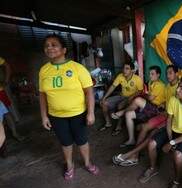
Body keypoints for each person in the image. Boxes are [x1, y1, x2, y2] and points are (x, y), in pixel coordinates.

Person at [39, 34, 99, 180]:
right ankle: (70, 165)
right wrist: (44, 116)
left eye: (54, 44)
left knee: (82, 141)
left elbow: (89, 91)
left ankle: (87, 163)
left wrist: (91, 112)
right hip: (56, 116)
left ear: (64, 50)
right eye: (47, 45)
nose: (49, 47)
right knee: (65, 143)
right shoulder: (44, 70)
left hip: (78, 113)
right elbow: (42, 95)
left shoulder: (77, 68)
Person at [112, 65, 179, 166]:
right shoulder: (168, 86)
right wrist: (162, 105)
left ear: (177, 74)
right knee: (143, 126)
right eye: (167, 73)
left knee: (148, 132)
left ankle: (132, 155)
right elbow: (166, 101)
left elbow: (176, 108)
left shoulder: (177, 88)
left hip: (169, 117)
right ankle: (134, 155)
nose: (168, 75)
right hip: (163, 114)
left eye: (170, 73)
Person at [111, 65, 166, 147]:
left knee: (137, 100)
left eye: (152, 74)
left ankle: (121, 113)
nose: (150, 75)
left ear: (158, 75)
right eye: (149, 74)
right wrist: (145, 95)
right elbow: (147, 96)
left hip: (156, 109)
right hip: (149, 107)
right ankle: (131, 139)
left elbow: (150, 98)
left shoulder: (160, 85)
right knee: (128, 114)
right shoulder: (151, 82)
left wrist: (145, 95)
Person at [99, 62, 143, 136]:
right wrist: (104, 97)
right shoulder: (120, 76)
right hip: (121, 96)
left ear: (132, 70)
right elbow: (113, 87)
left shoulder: (137, 79)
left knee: (120, 106)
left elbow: (140, 91)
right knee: (104, 103)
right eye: (124, 68)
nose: (124, 70)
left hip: (132, 98)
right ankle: (108, 123)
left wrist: (130, 98)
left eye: (127, 68)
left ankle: (118, 126)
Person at [0, 56, 25, 142]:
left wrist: (6, 80)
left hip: (0, 91)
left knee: (6, 113)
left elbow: (7, 66)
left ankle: (15, 133)